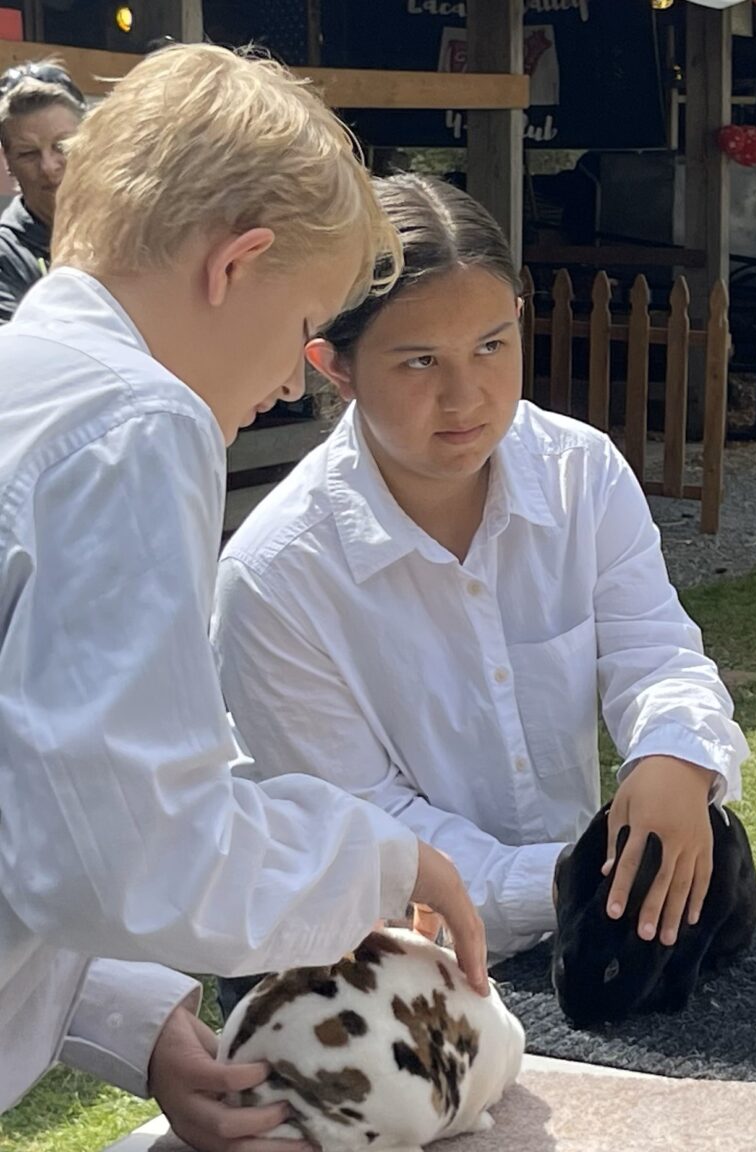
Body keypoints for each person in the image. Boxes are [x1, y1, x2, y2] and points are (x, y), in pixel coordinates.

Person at [0, 47, 488, 1149]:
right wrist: (380, 857)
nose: (286, 381)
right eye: (299, 321)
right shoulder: (133, 419)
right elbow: (139, 851)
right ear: (237, 264)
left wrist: (126, 1017)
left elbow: (31, 814)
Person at [212, 173, 750, 971]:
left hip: (576, 937)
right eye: (420, 361)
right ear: (334, 366)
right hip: (363, 974)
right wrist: (584, 880)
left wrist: (676, 751)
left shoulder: (580, 473)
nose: (466, 398)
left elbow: (655, 652)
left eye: (491, 346)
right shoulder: (275, 578)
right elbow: (366, 827)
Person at [0, 59, 85, 323]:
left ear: (91, 143)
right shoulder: (6, 256)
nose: (48, 167)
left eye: (61, 146)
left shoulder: (136, 228)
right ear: (8, 164)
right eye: (27, 154)